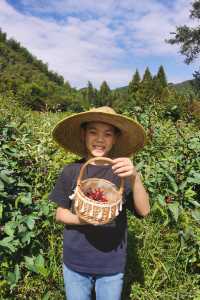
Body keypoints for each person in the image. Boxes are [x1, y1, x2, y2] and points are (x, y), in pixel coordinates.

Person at [49, 106, 150, 300]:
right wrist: (87, 220)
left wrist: (135, 178)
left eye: (108, 134)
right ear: (83, 135)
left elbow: (144, 211)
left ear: (116, 138)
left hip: (111, 264)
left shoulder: (121, 173)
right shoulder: (72, 171)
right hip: (75, 263)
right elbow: (60, 214)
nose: (100, 139)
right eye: (93, 132)